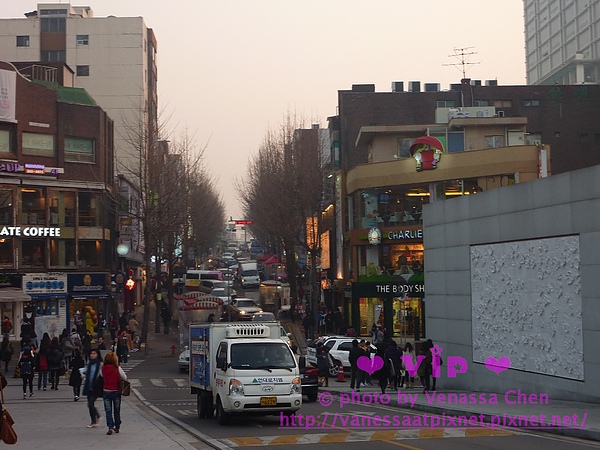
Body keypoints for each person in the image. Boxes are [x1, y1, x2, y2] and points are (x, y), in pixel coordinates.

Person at [101, 351, 128, 435]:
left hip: (106, 391)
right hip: (116, 391)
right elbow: (125, 377)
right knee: (117, 410)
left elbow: (101, 375)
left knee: (108, 410)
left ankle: (110, 427)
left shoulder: (103, 368)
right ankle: (117, 426)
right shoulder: (117, 368)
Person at [82, 348, 103, 428]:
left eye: (94, 353)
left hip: (96, 386)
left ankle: (97, 416)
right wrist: (84, 375)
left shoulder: (100, 364)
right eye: (91, 353)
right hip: (89, 386)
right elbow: (87, 373)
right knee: (90, 404)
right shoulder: (89, 364)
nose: (92, 355)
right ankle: (93, 421)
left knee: (90, 403)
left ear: (97, 355)